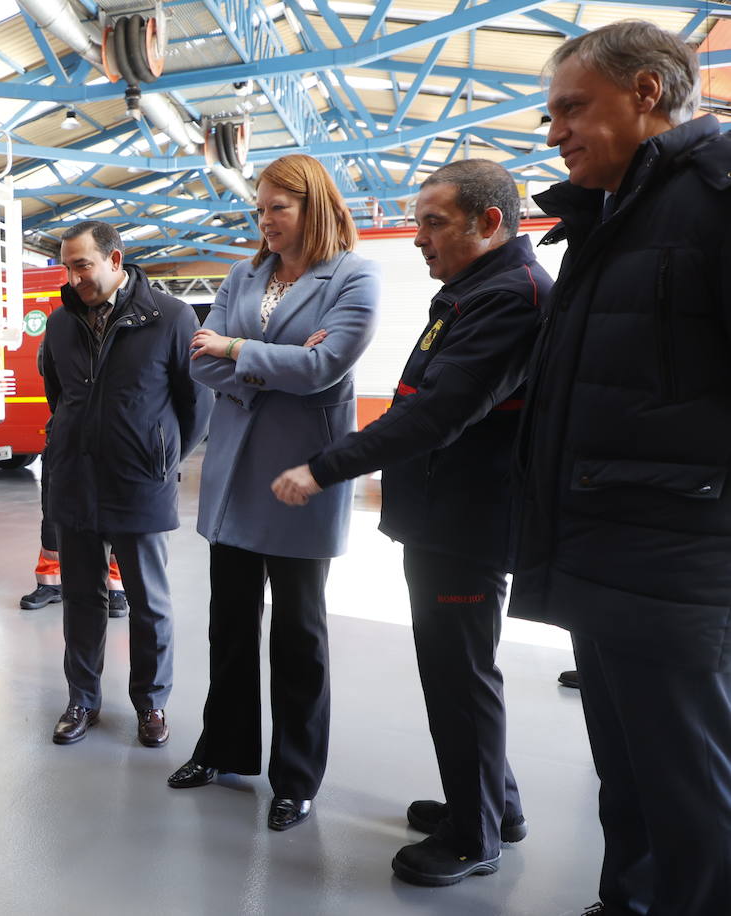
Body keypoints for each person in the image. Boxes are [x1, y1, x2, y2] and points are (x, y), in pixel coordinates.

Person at [272, 160, 549, 884]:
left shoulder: (510, 299)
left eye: (434, 223)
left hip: (466, 525)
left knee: (460, 679)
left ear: (488, 223)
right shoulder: (470, 291)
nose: (419, 238)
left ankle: (472, 837)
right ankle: (495, 806)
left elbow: (439, 413)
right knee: (458, 673)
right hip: (441, 518)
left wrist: (326, 465)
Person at [510, 21, 731, 916]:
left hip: (677, 563)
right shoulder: (608, 223)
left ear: (646, 93)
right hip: (602, 552)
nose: (554, 131)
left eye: (572, 108)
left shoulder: (715, 200)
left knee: (692, 799)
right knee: (628, 781)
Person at [166, 154, 379, 833]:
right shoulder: (243, 274)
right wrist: (249, 358)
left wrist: (236, 349)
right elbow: (198, 360)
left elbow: (324, 367)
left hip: (297, 480)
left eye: (276, 209)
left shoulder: (354, 276)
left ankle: (296, 775)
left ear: (313, 205)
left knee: (299, 637)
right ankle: (223, 750)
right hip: (232, 476)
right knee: (228, 626)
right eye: (259, 210)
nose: (264, 221)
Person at [39, 220, 212, 748]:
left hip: (140, 482)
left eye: (82, 265)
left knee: (148, 601)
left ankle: (151, 704)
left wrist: (161, 458)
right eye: (67, 267)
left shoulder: (172, 318)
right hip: (75, 480)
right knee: (81, 599)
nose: (73, 278)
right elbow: (58, 394)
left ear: (115, 260)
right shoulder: (60, 324)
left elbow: (197, 406)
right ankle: (82, 700)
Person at [20, 444, 128, 617]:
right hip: (65, 443)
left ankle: (115, 587)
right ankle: (50, 582)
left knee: (114, 514)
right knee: (53, 514)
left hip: (114, 442)